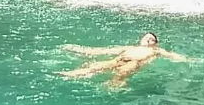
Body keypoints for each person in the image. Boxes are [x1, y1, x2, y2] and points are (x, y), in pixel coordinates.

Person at [59, 32, 192, 88]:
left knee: (120, 76)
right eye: (146, 37)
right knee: (94, 67)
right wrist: (79, 49)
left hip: (135, 63)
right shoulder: (128, 47)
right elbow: (103, 51)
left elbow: (173, 56)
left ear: (155, 43)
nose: (148, 39)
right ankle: (68, 75)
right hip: (118, 59)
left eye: (151, 38)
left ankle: (112, 88)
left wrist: (189, 60)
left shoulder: (156, 50)